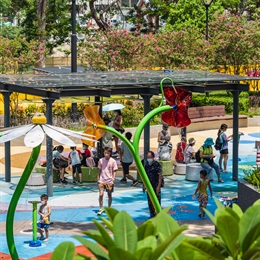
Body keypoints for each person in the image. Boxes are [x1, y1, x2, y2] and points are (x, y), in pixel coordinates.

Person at [97, 147, 118, 215]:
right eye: (105, 153)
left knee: (109, 194)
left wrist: (113, 179)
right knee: (101, 194)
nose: (106, 154)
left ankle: (109, 208)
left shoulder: (113, 161)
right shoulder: (101, 160)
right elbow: (99, 170)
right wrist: (98, 178)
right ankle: (100, 208)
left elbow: (115, 171)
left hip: (109, 180)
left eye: (107, 153)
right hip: (102, 180)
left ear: (110, 153)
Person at [143, 151, 163, 218]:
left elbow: (160, 176)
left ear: (153, 157)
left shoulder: (157, 164)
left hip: (156, 184)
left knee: (157, 200)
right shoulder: (146, 165)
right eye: (148, 157)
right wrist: (144, 185)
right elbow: (144, 176)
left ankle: (158, 215)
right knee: (150, 200)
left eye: (150, 157)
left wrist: (158, 186)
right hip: (149, 185)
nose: (149, 158)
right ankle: (152, 214)